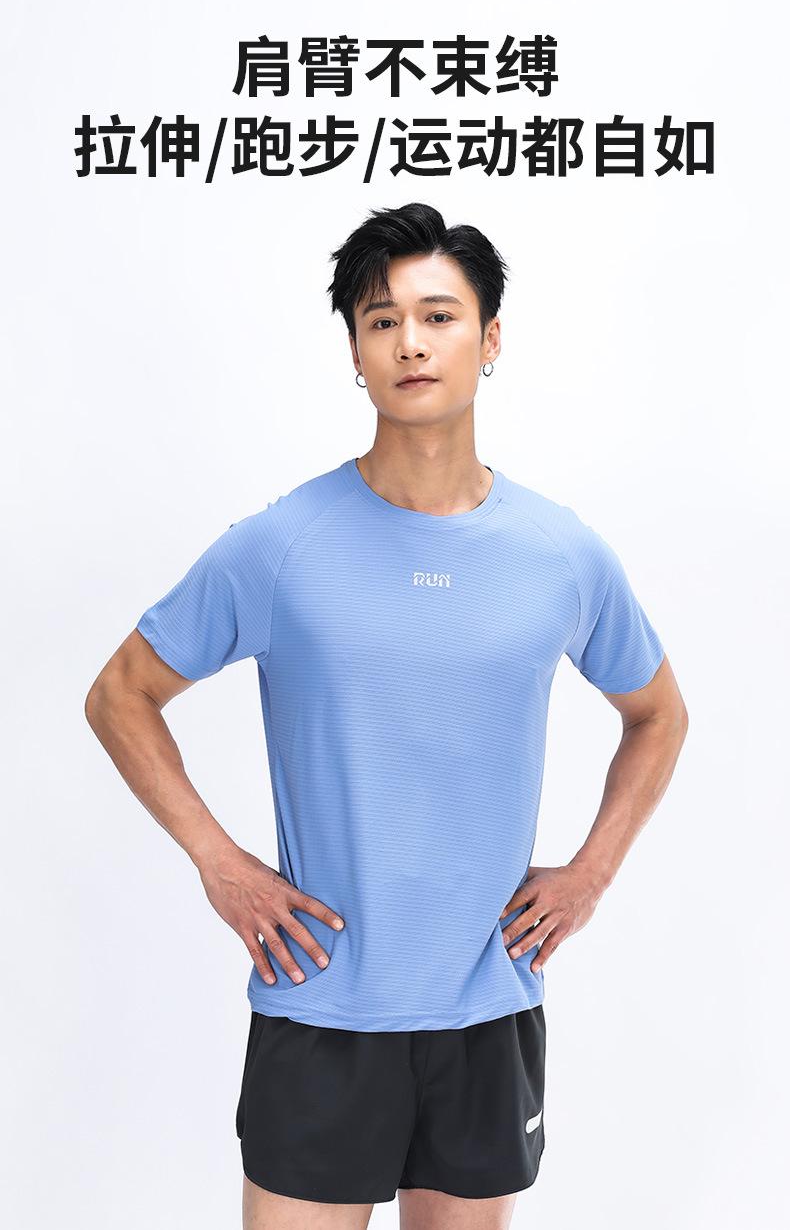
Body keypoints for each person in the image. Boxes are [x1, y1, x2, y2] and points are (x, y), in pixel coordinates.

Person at [85, 201, 688, 1230]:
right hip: (320, 998)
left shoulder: (561, 553)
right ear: (357, 355)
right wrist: (220, 864)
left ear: (489, 340)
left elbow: (658, 714)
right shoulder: (282, 545)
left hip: (487, 1004)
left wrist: (591, 872)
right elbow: (120, 694)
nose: (410, 341)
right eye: (381, 320)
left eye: (438, 315)